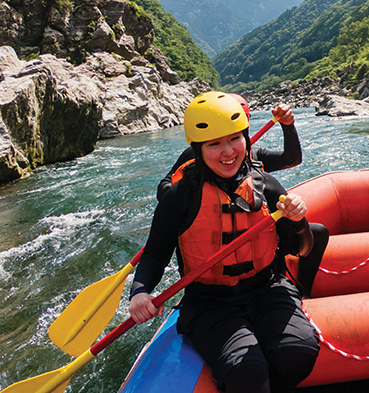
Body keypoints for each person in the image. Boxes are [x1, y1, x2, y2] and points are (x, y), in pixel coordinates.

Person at [129, 92, 320, 393]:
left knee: (298, 353)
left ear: (246, 137)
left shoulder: (265, 185)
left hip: (267, 289)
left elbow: (304, 248)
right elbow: (154, 254)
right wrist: (139, 293)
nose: (228, 151)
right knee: (248, 375)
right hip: (210, 303)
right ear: (199, 149)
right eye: (214, 144)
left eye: (235, 139)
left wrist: (299, 222)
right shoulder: (180, 197)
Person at [157, 93, 301, 201]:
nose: (228, 151)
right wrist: (182, 196)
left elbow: (292, 159)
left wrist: (288, 125)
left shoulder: (255, 158)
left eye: (235, 136)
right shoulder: (195, 155)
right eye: (215, 143)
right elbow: (164, 186)